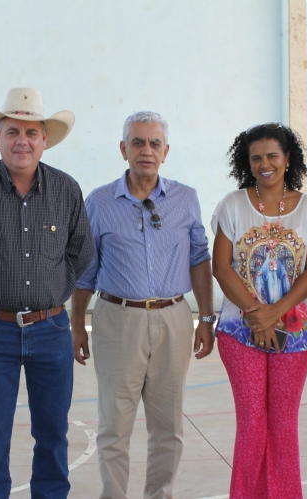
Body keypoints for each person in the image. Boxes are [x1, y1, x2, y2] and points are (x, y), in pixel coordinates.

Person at [0, 88, 94, 499]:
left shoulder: (66, 190)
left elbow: (81, 252)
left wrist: (53, 289)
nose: (21, 140)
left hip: (52, 329)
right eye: (12, 132)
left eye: (30, 132)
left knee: (52, 433)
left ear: (44, 139)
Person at [70, 111, 215, 499]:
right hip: (117, 320)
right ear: (123, 150)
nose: (146, 151)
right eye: (137, 143)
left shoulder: (186, 199)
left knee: (168, 426)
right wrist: (76, 324)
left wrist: (206, 317)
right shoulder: (99, 202)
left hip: (173, 318)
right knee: (114, 425)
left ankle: (159, 495)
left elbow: (200, 258)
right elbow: (86, 268)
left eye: (154, 144)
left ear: (166, 151)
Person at [210, 123, 307, 497]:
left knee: (283, 423)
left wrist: (276, 314)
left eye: (272, 156)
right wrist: (256, 313)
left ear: (288, 158)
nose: (264, 164)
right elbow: (222, 267)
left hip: (295, 332)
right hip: (239, 330)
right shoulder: (232, 205)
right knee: (252, 423)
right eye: (256, 157)